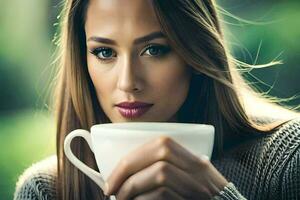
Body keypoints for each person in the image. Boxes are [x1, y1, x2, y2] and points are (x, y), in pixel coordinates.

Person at [14, 0, 300, 199]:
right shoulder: (47, 190)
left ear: (196, 50)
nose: (127, 82)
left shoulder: (286, 158)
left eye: (154, 50)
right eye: (104, 52)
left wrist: (218, 197)